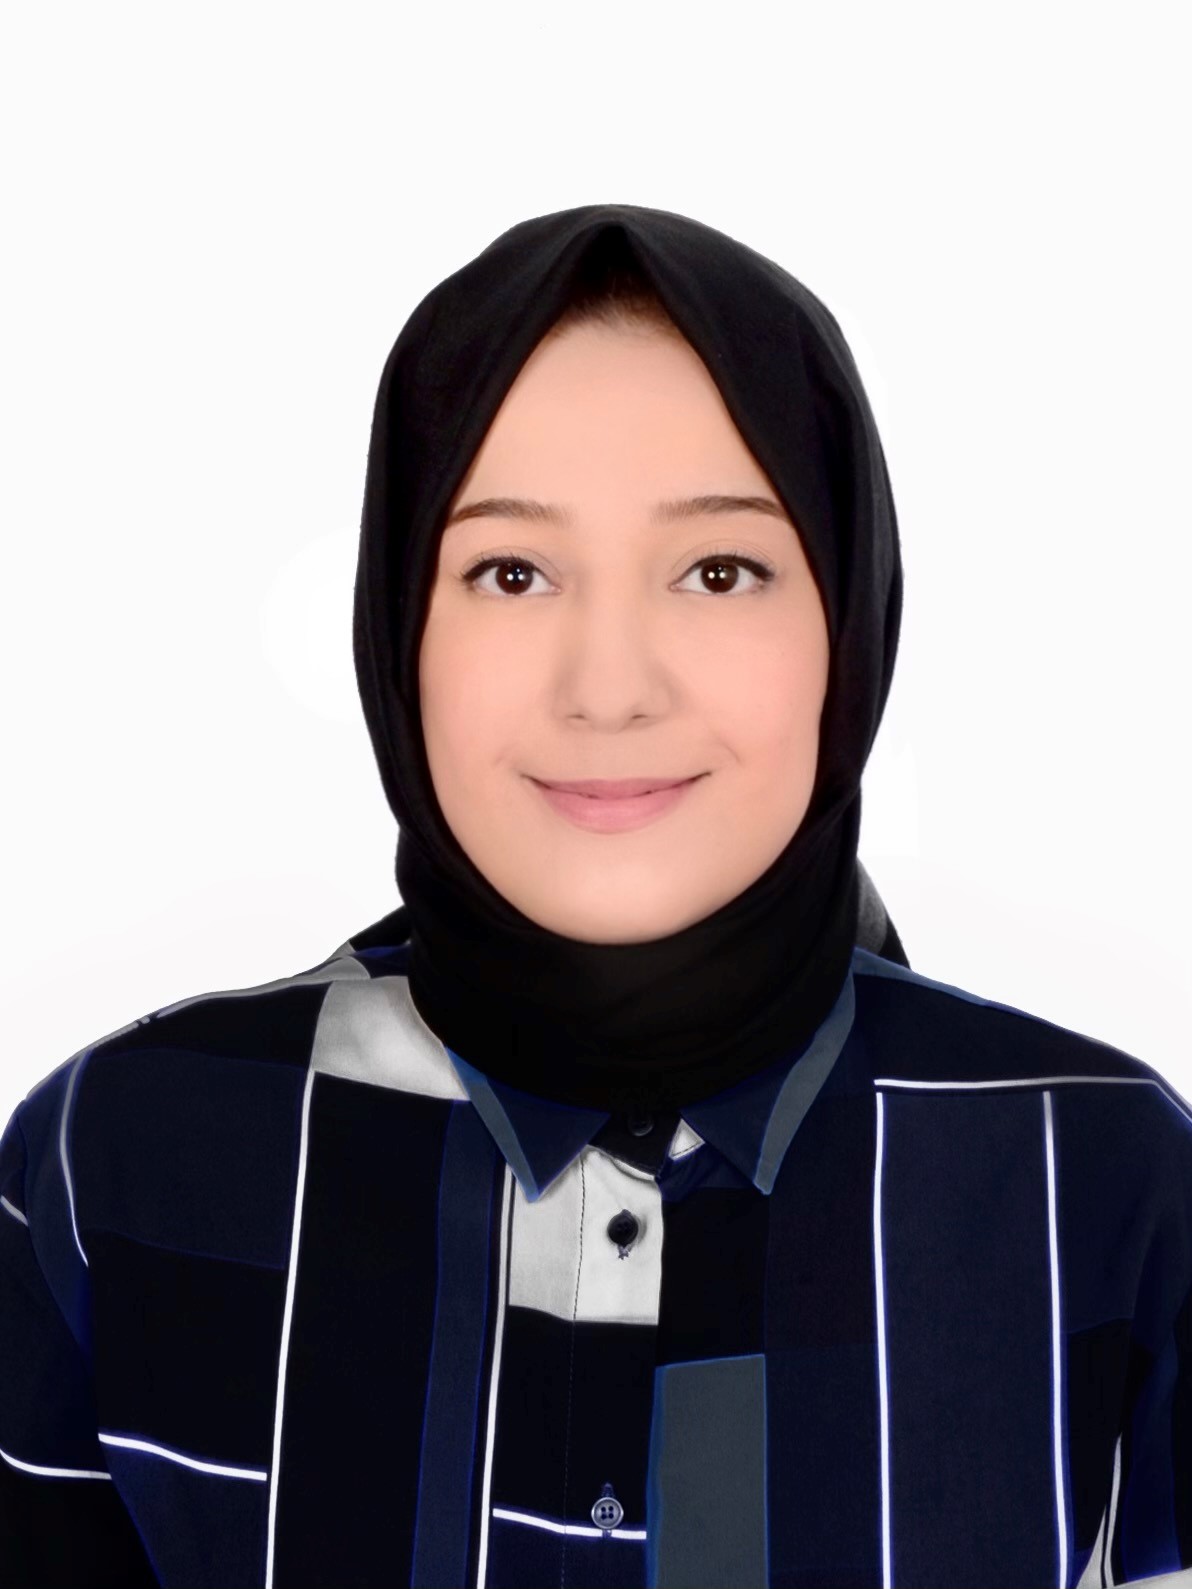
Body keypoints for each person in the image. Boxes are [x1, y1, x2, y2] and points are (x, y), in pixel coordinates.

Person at [0, 202, 1186, 1589]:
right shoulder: (120, 1159)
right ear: (399, 628)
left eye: (720, 570)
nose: (609, 687)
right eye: (511, 572)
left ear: (847, 624)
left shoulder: (1106, 1184)